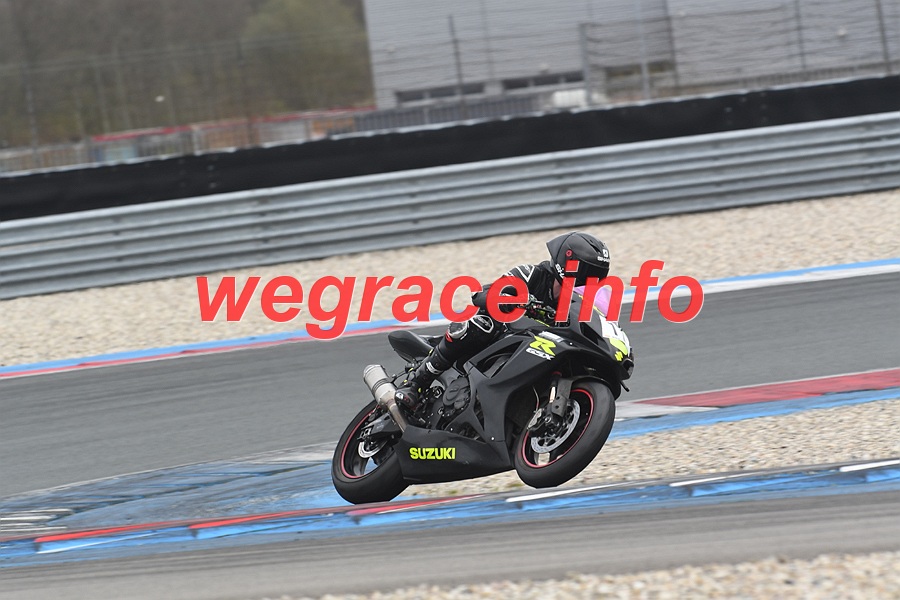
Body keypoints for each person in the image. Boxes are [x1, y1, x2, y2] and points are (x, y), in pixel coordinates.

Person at [394, 231, 611, 409]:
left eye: (596, 275)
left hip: (537, 351)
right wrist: (508, 300)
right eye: (587, 272)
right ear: (567, 263)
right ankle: (415, 382)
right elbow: (482, 294)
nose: (590, 280)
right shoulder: (532, 274)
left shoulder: (579, 302)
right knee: (483, 325)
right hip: (500, 339)